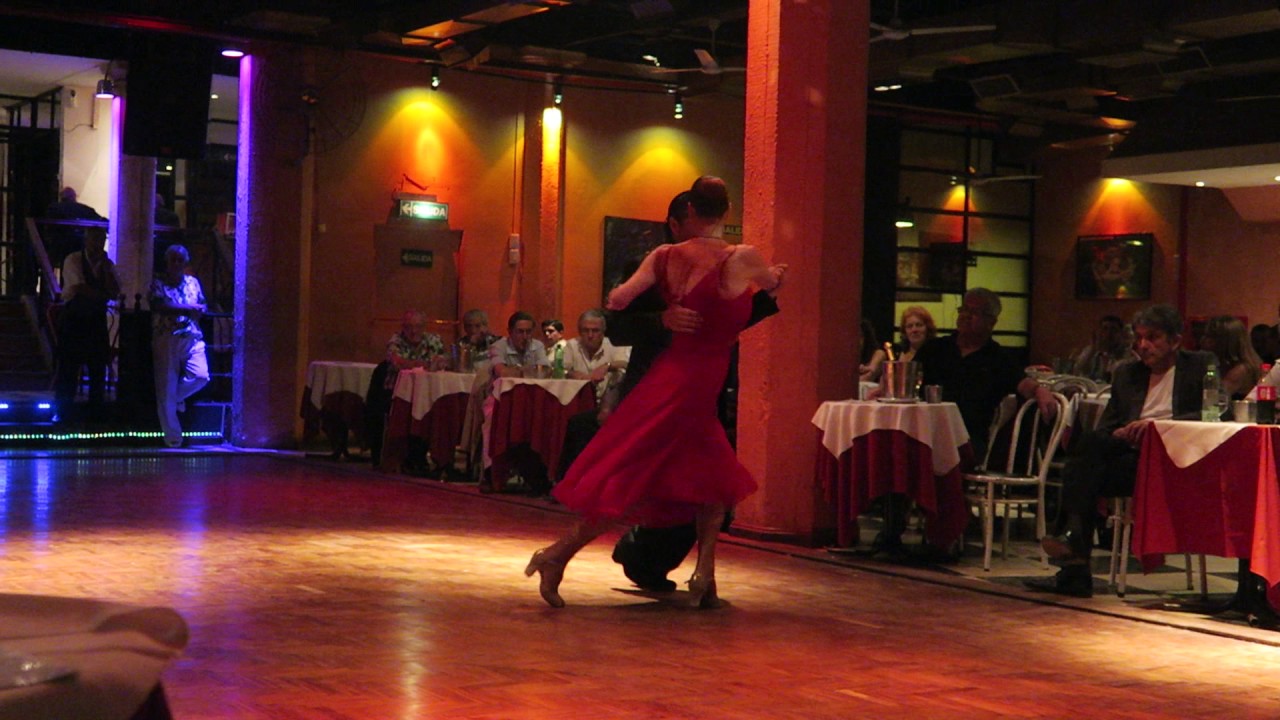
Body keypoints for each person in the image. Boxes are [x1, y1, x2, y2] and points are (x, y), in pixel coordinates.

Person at [526, 175, 785, 609]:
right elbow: (770, 284)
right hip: (685, 384)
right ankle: (559, 554)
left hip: (679, 382)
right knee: (645, 478)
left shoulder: (663, 256)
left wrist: (676, 305)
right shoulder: (740, 257)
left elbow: (617, 299)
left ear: (687, 213)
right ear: (726, 212)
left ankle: (704, 574)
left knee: (710, 479)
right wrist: (664, 319)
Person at [1035, 304, 1214, 597]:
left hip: (1175, 459)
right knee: (1091, 448)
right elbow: (1108, 427)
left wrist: (1159, 426)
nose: (1143, 346)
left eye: (1153, 337)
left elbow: (1213, 415)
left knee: (1086, 468)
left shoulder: (1200, 364)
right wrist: (1120, 432)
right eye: (1139, 338)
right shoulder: (1127, 373)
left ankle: (1074, 555)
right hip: (1130, 457)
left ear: (1175, 340)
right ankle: (1075, 545)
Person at [54, 225, 120, 421]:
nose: (98, 245)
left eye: (101, 241)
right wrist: (103, 295)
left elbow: (115, 290)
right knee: (69, 366)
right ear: (86, 241)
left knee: (97, 366)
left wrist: (107, 271)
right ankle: (63, 411)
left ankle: (95, 412)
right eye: (94, 240)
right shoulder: (73, 259)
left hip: (96, 320)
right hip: (74, 318)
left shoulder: (107, 264)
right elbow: (80, 286)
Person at [149, 244, 211, 448]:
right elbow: (158, 305)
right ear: (167, 262)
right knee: (165, 387)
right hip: (166, 337)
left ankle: (175, 398)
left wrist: (200, 309)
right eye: (173, 260)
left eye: (180, 260)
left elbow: (202, 303)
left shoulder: (193, 282)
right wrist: (187, 308)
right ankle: (174, 438)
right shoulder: (158, 282)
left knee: (201, 376)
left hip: (191, 336)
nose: (176, 264)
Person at [384, 310, 445, 471]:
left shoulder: (433, 340)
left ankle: (434, 458)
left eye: (418, 327)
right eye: (409, 327)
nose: (413, 331)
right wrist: (421, 364)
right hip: (397, 392)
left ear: (424, 327)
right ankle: (409, 457)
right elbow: (397, 361)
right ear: (403, 327)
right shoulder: (396, 340)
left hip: (427, 392)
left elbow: (441, 362)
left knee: (438, 409)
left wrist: (432, 363)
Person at [452, 309, 501, 478]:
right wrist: (470, 345)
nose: (474, 330)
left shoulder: (498, 343)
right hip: (463, 388)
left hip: (486, 390)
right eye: (469, 326)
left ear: (486, 326)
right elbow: (456, 363)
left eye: (478, 326)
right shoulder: (461, 344)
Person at [562, 309, 628, 400]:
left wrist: (606, 366)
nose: (590, 335)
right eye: (585, 330)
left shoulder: (614, 344)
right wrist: (573, 375)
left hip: (608, 402)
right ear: (579, 331)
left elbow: (625, 364)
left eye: (595, 330)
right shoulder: (571, 345)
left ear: (603, 331)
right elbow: (561, 370)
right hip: (578, 400)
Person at [1198, 315, 1261, 400]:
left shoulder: (1241, 370)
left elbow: (1214, 400)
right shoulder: (1223, 365)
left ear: (1225, 342)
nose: (1203, 340)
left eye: (1209, 336)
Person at [45, 186, 104, 270]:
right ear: (74, 197)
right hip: (78, 245)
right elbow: (99, 220)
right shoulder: (83, 209)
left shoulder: (54, 208)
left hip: (58, 247)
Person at [1069, 314, 1134, 382]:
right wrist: (1093, 348)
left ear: (1121, 333)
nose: (1109, 333)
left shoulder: (1127, 354)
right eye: (1105, 329)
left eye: (1114, 329)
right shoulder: (1090, 351)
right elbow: (1078, 370)